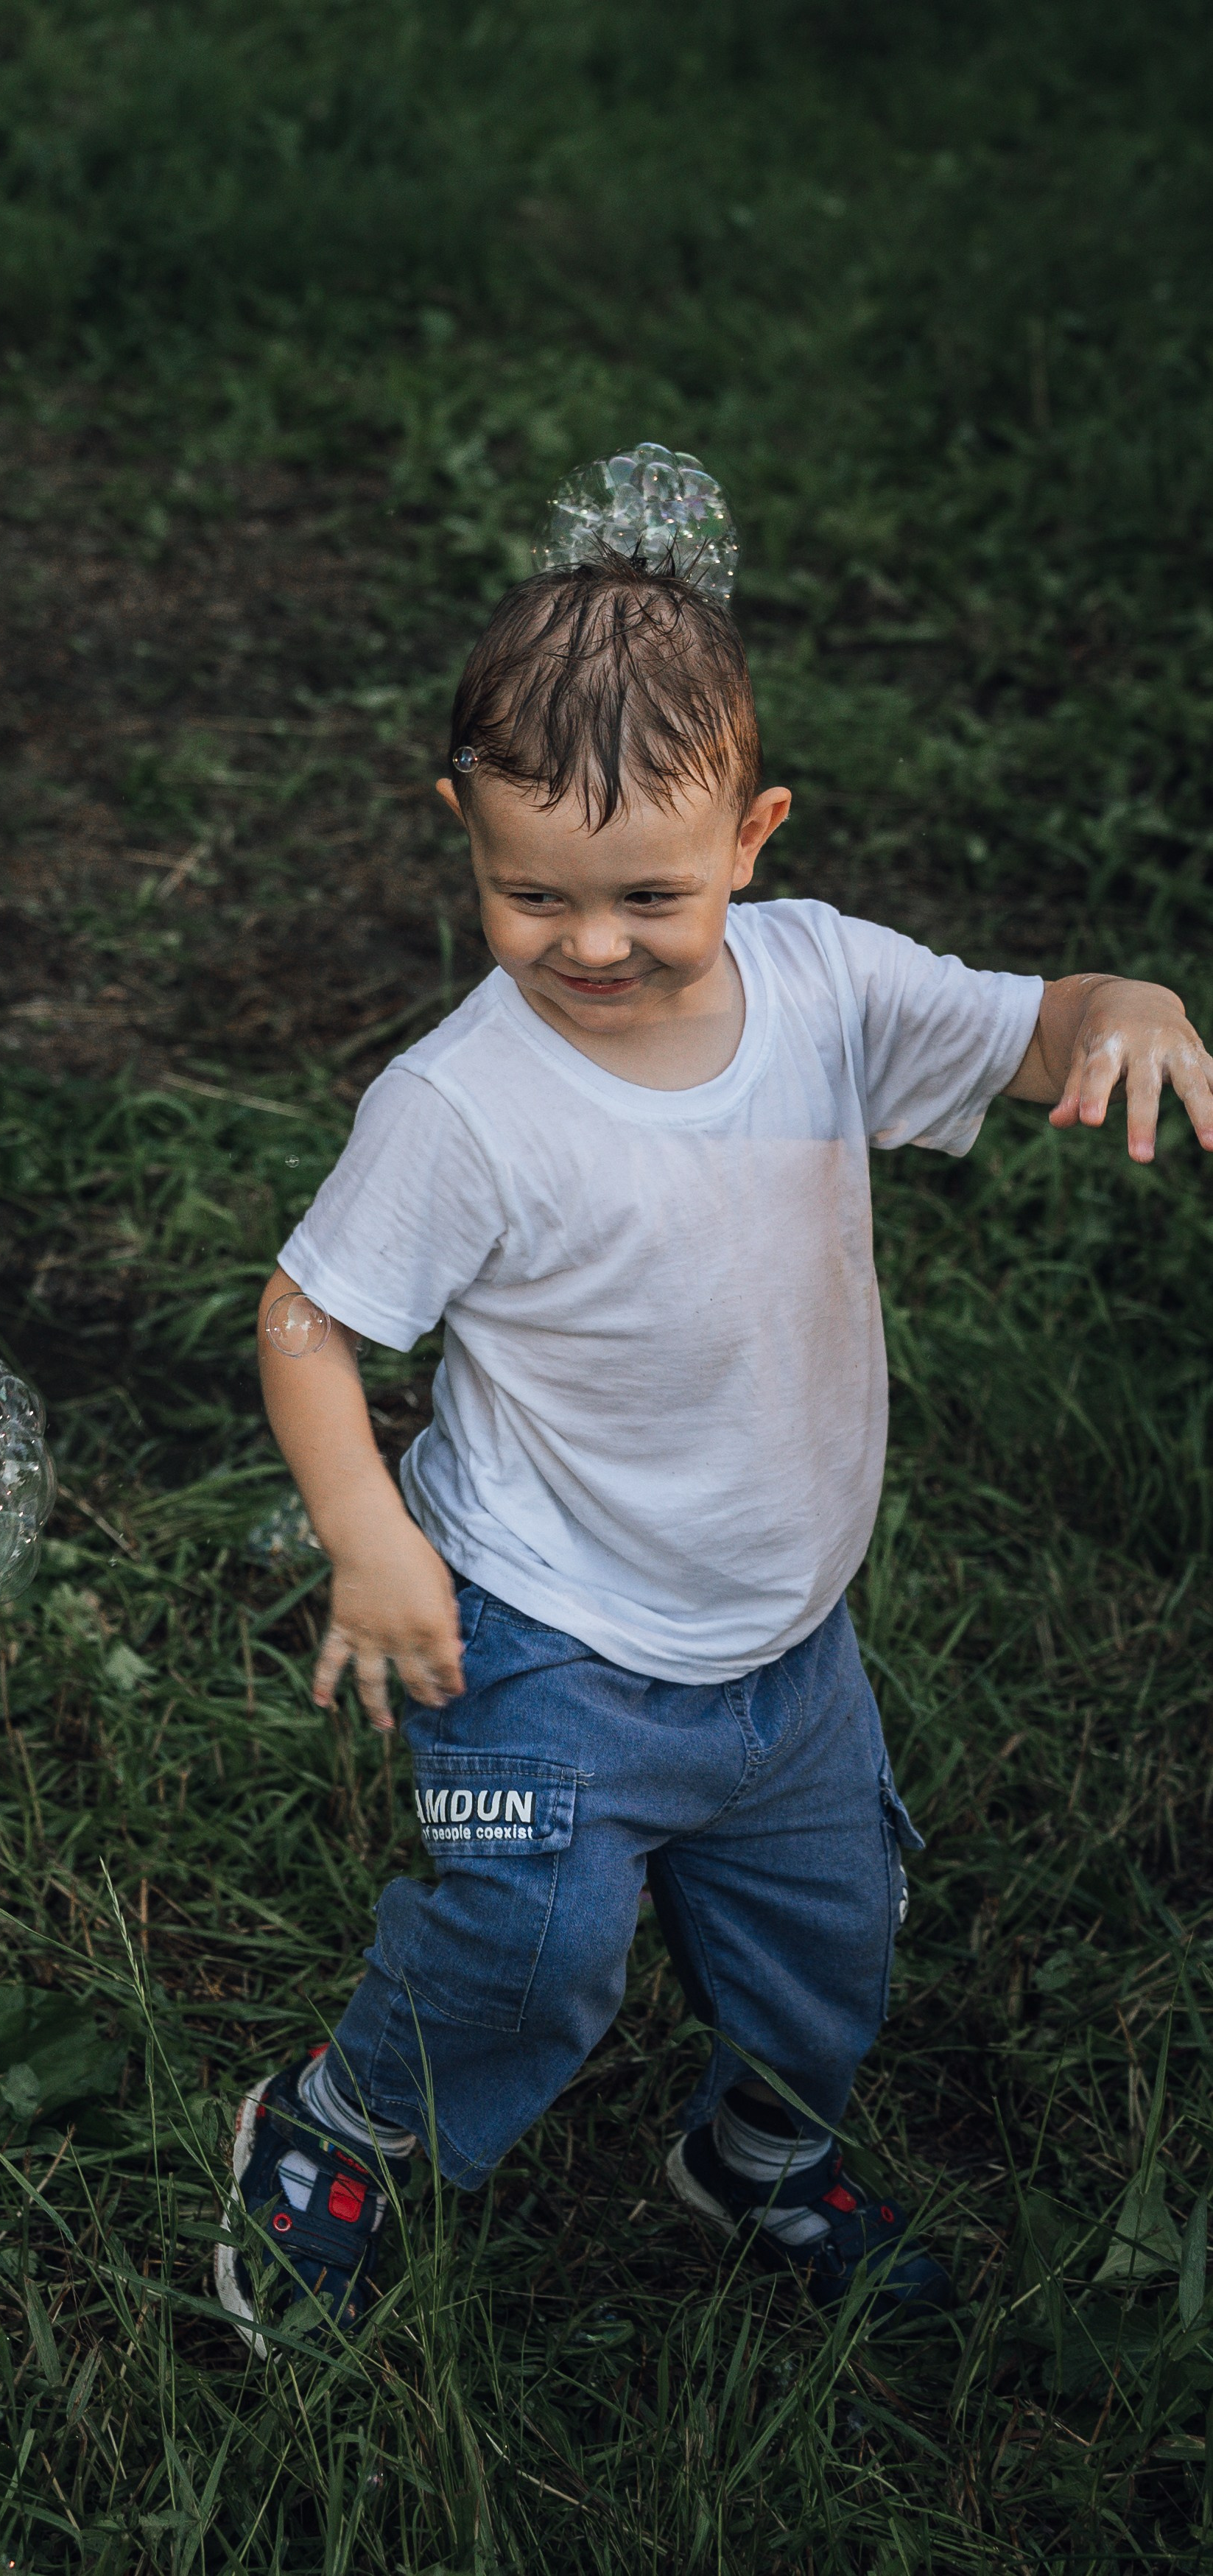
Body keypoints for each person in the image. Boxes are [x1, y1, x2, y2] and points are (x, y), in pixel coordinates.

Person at [212, 445, 1213, 2353]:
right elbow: (304, 1318)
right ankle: (343, 2120)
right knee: (529, 1947)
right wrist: (369, 1537)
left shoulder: (827, 989)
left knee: (832, 1944)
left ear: (753, 836)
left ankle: (756, 2149)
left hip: (782, 1638)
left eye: (648, 895)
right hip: (534, 1633)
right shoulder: (460, 1105)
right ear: (461, 829)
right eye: (530, 893)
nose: (589, 944)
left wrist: (1131, 1006)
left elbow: (1042, 1026)